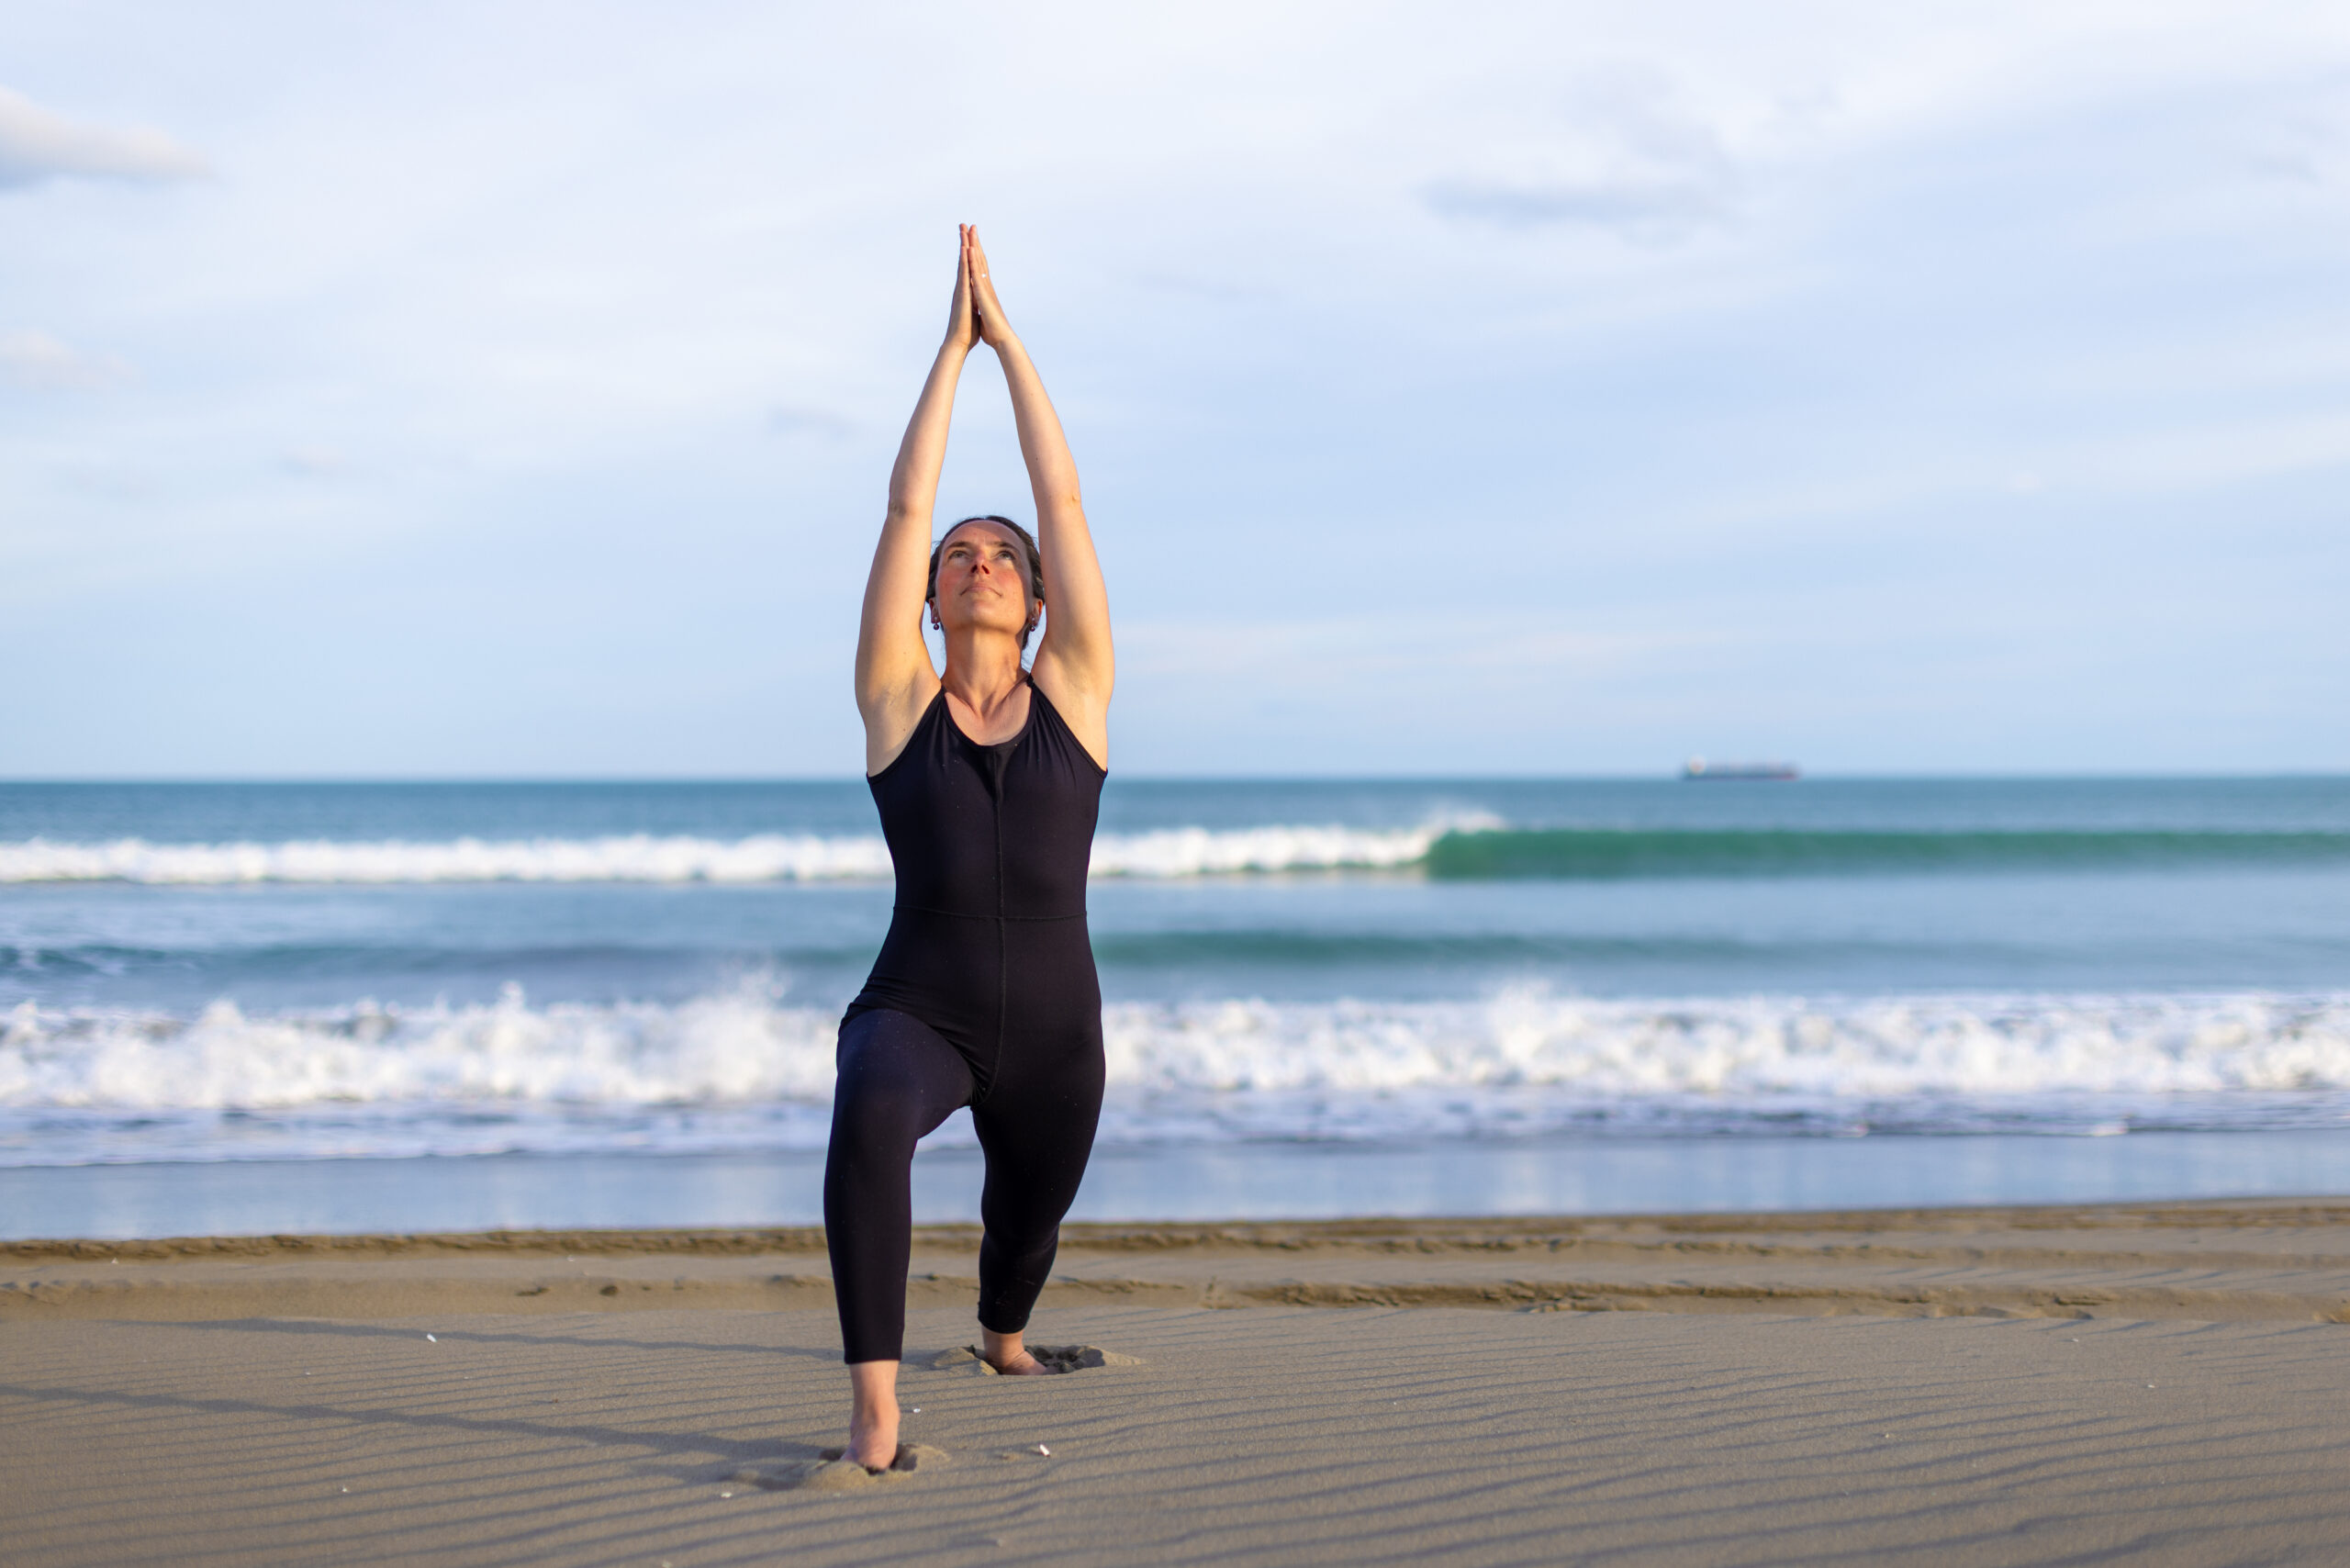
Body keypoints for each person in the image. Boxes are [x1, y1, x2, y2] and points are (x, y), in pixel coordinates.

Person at [824, 225, 1114, 1471]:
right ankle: (877, 1408)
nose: (979, 562)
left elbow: (1065, 499)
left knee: (1027, 1227)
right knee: (870, 1115)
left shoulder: (1079, 694)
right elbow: (903, 506)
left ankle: (1003, 1336)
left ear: (1037, 600)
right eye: (960, 558)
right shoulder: (898, 702)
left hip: (1057, 1031)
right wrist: (951, 352)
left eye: (1002, 559)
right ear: (934, 597)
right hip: (919, 1009)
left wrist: (1015, 348)